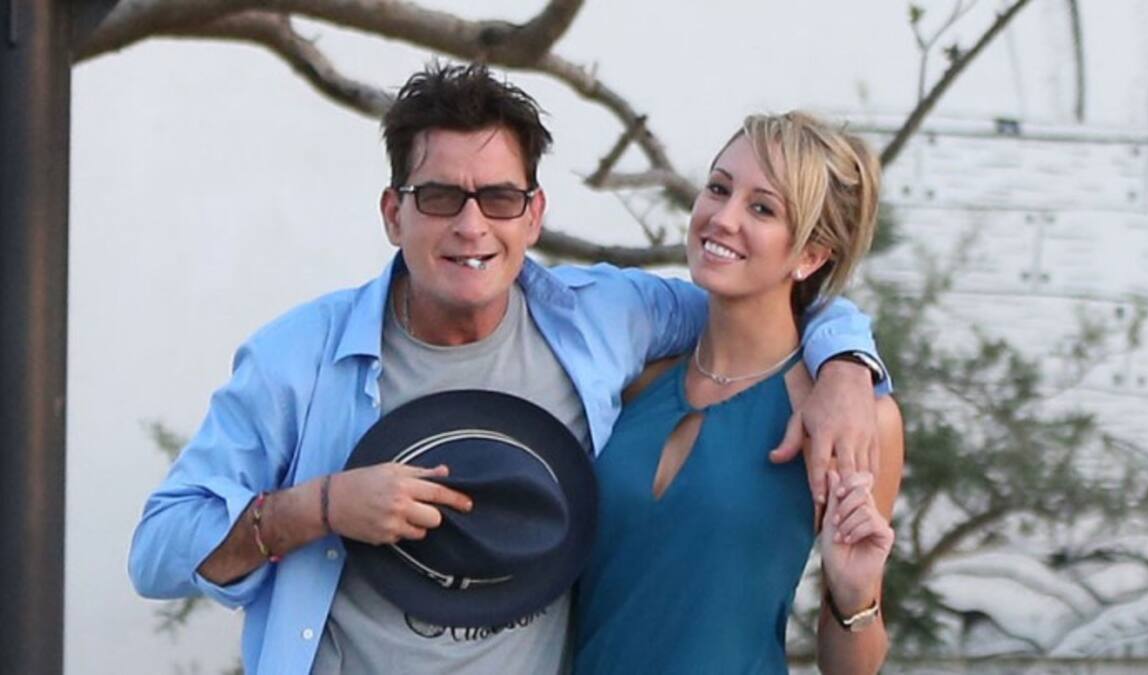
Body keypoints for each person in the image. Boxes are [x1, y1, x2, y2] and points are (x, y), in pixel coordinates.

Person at [128, 64, 892, 675]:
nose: (471, 225)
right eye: (439, 197)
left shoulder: (602, 322)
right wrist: (322, 504)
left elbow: (773, 310)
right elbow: (158, 549)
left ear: (534, 213)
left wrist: (846, 367)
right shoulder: (297, 358)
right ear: (393, 213)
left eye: (498, 197)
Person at [573, 111, 905, 675]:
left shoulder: (851, 418)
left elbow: (850, 669)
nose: (723, 218)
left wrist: (855, 594)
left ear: (810, 255)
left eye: (762, 209)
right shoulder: (634, 377)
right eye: (719, 188)